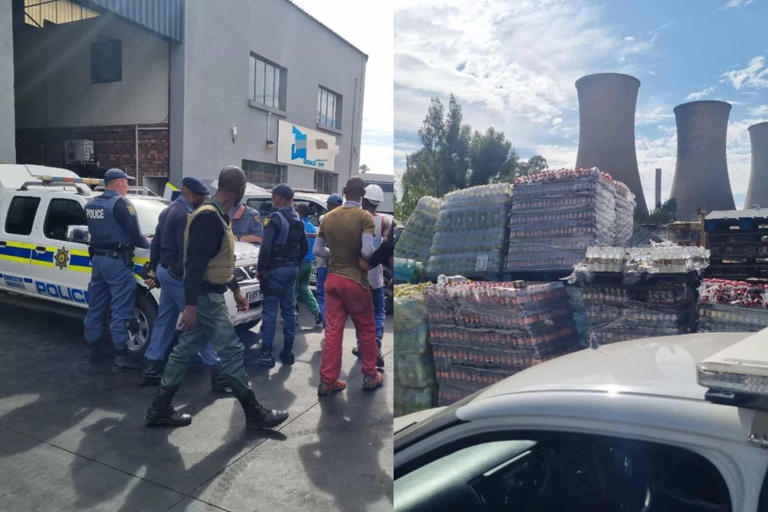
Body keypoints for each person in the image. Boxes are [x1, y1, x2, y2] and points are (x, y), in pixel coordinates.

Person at [145, 166, 288, 430]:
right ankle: (254, 412)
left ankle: (159, 408)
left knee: (185, 349)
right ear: (239, 191)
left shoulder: (216, 215)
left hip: (210, 293)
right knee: (231, 350)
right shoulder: (209, 217)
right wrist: (190, 305)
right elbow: (194, 263)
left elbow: (219, 260)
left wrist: (235, 289)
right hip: (206, 297)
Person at [139, 177, 226, 391]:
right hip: (177, 274)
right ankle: (218, 375)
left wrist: (155, 269)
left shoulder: (168, 210)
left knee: (165, 319)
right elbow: (187, 252)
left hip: (165, 270)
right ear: (192, 194)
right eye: (203, 197)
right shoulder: (187, 215)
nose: (205, 200)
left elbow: (156, 243)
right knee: (200, 320)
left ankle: (151, 369)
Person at [313, 177, 383, 395]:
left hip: (333, 279)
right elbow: (368, 252)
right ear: (362, 194)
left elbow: (317, 250)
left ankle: (328, 381)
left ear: (344, 191)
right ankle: (370, 375)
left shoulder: (328, 217)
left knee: (333, 331)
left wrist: (334, 255)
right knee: (366, 328)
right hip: (355, 281)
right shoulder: (365, 217)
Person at [83, 168, 149, 371]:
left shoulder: (91, 204)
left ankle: (92, 351)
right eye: (126, 181)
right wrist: (152, 245)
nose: (128, 185)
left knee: (96, 306)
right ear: (119, 182)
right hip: (117, 262)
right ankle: (120, 357)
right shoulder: (121, 204)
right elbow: (136, 236)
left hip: (98, 260)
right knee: (121, 308)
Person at [252, 184, 308, 368]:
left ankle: (267, 353)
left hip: (275, 271)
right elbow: (304, 247)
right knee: (289, 311)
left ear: (280, 197)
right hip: (291, 270)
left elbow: (265, 247)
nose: (272, 199)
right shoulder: (297, 218)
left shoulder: (274, 218)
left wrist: (260, 269)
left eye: (273, 195)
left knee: (269, 311)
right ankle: (288, 352)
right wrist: (294, 262)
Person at [352, 184, 390, 368]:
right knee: (378, 311)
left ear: (364, 200)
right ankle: (376, 342)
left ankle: (362, 345)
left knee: (360, 312)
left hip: (358, 272)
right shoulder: (384, 221)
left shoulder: (355, 219)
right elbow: (386, 247)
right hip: (376, 274)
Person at [315, 194, 342, 326]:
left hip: (324, 264)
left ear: (330, 205)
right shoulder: (348, 220)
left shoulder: (325, 219)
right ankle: (334, 322)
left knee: (322, 295)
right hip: (340, 266)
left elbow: (318, 248)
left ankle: (327, 322)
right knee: (336, 297)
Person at [294, 204, 323, 326]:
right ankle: (316, 310)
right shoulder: (311, 227)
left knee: (294, 289)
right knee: (305, 288)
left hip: (298, 262)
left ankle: (293, 314)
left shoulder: (298, 225)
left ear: (299, 212)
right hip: (308, 262)